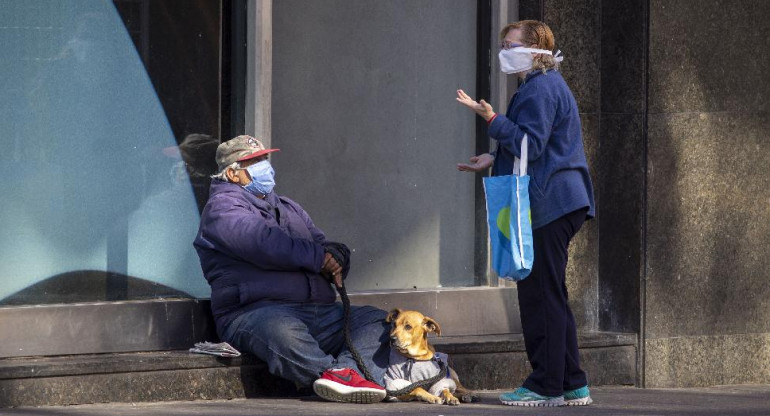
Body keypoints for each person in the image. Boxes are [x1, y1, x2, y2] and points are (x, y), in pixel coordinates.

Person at [456, 20, 595, 407]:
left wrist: (492, 120)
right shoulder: (544, 86)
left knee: (539, 295)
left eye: (509, 44)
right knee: (552, 293)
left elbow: (530, 144)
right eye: (501, 43)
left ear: (535, 50)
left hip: (551, 202)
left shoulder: (541, 88)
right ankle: (571, 382)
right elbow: (539, 145)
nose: (503, 50)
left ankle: (545, 385)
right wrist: (494, 155)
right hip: (560, 200)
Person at [193, 135, 391, 404]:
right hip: (255, 312)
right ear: (233, 173)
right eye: (254, 161)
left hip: (316, 311)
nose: (265, 165)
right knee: (282, 333)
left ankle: (350, 376)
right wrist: (319, 257)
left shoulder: (287, 206)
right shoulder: (222, 209)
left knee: (379, 322)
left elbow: (320, 245)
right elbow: (263, 243)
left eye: (264, 158)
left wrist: (336, 256)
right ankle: (334, 376)